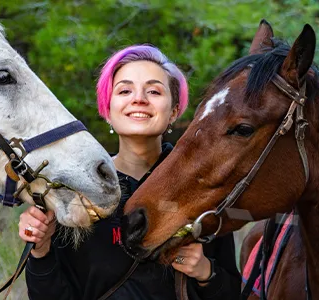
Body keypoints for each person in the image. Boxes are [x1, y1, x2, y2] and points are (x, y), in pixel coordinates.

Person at [17, 45, 240, 299]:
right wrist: (40, 250)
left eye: (154, 91)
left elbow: (232, 292)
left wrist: (204, 272)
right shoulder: (76, 188)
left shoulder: (201, 184)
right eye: (124, 90)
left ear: (174, 111)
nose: (139, 99)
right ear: (107, 110)